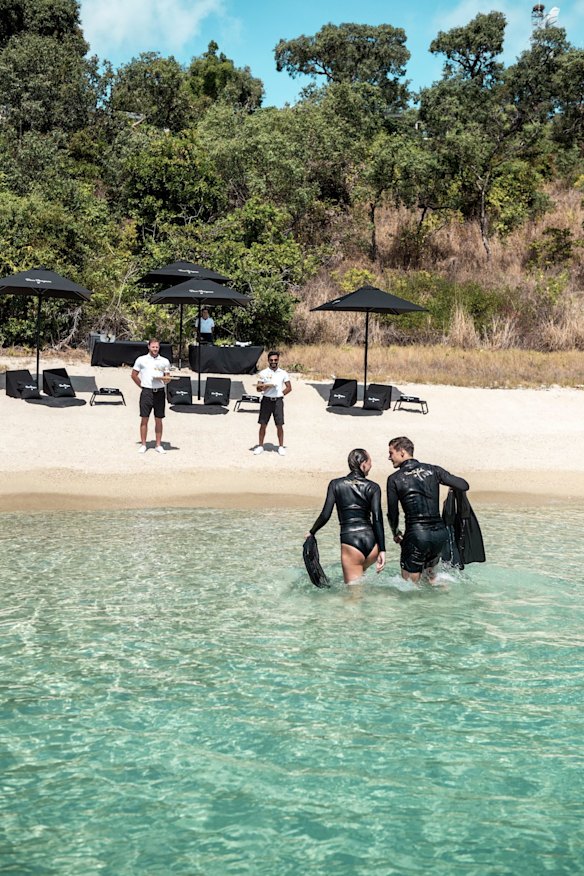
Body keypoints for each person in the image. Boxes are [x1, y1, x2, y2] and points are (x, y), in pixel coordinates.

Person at [386, 436, 469, 585]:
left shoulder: (395, 479)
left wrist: (396, 532)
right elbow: (463, 485)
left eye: (391, 453)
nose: (389, 457)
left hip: (416, 535)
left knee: (410, 586)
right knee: (431, 579)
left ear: (402, 452)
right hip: (439, 535)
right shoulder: (434, 470)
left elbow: (393, 513)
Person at [306, 449, 386, 585]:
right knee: (361, 580)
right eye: (370, 462)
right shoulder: (373, 487)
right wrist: (382, 549)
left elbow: (325, 515)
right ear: (363, 464)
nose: (371, 466)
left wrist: (312, 531)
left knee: (353, 598)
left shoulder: (335, 484)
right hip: (372, 543)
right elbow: (377, 519)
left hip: (351, 544)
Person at [131, 338, 171, 454]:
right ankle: (143, 444)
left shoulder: (164, 361)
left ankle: (158, 444)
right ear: (149, 347)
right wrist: (142, 386)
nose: (155, 349)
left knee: (159, 419)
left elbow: (167, 376)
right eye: (153, 347)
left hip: (159, 392)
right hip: (147, 392)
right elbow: (134, 375)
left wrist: (166, 380)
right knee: (144, 418)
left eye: (157, 347)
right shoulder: (141, 360)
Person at [254, 351, 292, 456]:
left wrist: (281, 394)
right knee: (263, 424)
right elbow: (258, 388)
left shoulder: (283, 373)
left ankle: (280, 446)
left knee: (279, 424)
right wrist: (266, 386)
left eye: (275, 360)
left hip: (278, 401)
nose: (273, 362)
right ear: (268, 361)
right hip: (266, 400)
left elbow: (289, 388)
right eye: (271, 360)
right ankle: (260, 446)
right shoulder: (263, 373)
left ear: (278, 360)